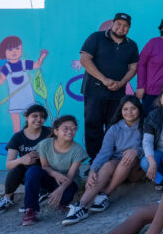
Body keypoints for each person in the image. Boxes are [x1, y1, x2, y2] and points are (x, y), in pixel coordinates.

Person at [62, 96, 145, 225]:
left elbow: (152, 147)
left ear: (139, 110)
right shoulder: (114, 129)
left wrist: (137, 151)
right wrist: (93, 170)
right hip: (117, 167)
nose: (129, 112)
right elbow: (104, 153)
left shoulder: (145, 125)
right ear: (121, 111)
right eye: (125, 109)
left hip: (137, 168)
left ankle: (106, 194)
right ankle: (81, 206)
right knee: (107, 164)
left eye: (133, 108)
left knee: (126, 158)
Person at [79, 12, 140, 159]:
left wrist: (122, 83)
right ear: (113, 24)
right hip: (94, 91)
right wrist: (104, 79)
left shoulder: (131, 45)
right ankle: (95, 160)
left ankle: (109, 160)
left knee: (114, 127)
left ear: (129, 28)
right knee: (93, 125)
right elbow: (84, 59)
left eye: (125, 26)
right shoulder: (96, 37)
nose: (121, 28)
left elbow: (133, 68)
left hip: (117, 93)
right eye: (119, 24)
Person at [21, 115, 88, 226]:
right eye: (65, 128)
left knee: (65, 197)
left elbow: (71, 176)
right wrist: (55, 174)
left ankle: (57, 198)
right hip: (51, 178)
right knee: (33, 171)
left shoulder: (78, 150)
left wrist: (60, 189)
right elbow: (45, 166)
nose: (70, 131)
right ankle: (30, 210)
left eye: (73, 128)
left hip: (68, 181)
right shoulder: (45, 144)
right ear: (56, 131)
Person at [0, 104, 52, 216]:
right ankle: (7, 198)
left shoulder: (49, 133)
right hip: (26, 174)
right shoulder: (18, 137)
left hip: (45, 171)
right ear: (26, 117)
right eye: (34, 116)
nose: (38, 119)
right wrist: (22, 160)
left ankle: (41, 193)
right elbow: (8, 164)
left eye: (42, 116)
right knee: (16, 169)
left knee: (34, 169)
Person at [0, 36, 49, 133]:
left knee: (31, 122)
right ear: (4, 52)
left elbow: (37, 65)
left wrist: (42, 56)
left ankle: (31, 139)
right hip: (15, 99)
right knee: (16, 122)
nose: (14, 52)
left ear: (21, 50)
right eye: (10, 49)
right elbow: (1, 81)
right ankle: (16, 140)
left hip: (28, 99)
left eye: (17, 48)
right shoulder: (6, 67)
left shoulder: (24, 63)